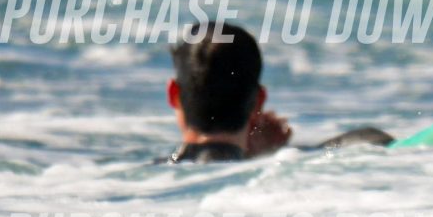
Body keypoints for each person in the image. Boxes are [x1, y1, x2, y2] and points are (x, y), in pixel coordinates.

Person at [165, 22, 391, 161]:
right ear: (259, 101)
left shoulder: (162, 181)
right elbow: (371, 138)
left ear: (173, 94)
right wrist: (273, 154)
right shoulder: (281, 171)